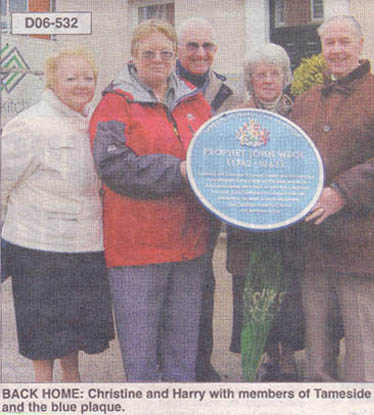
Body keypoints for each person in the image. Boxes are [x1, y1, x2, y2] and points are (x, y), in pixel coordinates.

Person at [290, 15, 374, 382]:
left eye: (344, 41)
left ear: (361, 45)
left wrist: (342, 193)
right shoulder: (305, 102)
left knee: (363, 358)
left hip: (364, 247)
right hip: (313, 248)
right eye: (329, 43)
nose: (336, 50)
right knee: (317, 359)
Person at [89, 19, 213, 382]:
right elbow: (114, 167)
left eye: (166, 53)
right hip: (136, 253)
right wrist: (177, 171)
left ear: (175, 56)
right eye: (148, 53)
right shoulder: (114, 104)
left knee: (182, 355)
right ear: (133, 57)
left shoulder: (196, 101)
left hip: (189, 247)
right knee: (141, 359)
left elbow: (213, 156)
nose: (157, 60)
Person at [1, 46, 115, 382]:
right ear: (52, 82)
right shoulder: (30, 125)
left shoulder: (92, 121)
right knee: (42, 336)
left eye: (88, 77)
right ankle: (43, 393)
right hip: (39, 251)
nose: (82, 84)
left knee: (73, 332)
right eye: (71, 78)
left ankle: (72, 386)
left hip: (84, 246)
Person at [225, 43, 304, 381]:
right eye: (261, 74)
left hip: (291, 222)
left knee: (290, 290)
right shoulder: (236, 115)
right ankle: (262, 355)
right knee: (253, 290)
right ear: (251, 80)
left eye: (275, 73)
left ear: (285, 78)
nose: (269, 80)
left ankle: (288, 357)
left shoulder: (301, 113)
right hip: (248, 223)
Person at [176, 16, 244, 382]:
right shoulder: (160, 84)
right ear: (178, 50)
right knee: (166, 288)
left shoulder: (227, 95)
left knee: (202, 286)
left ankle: (200, 365)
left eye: (207, 46)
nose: (201, 53)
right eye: (192, 46)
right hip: (166, 202)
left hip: (205, 211)